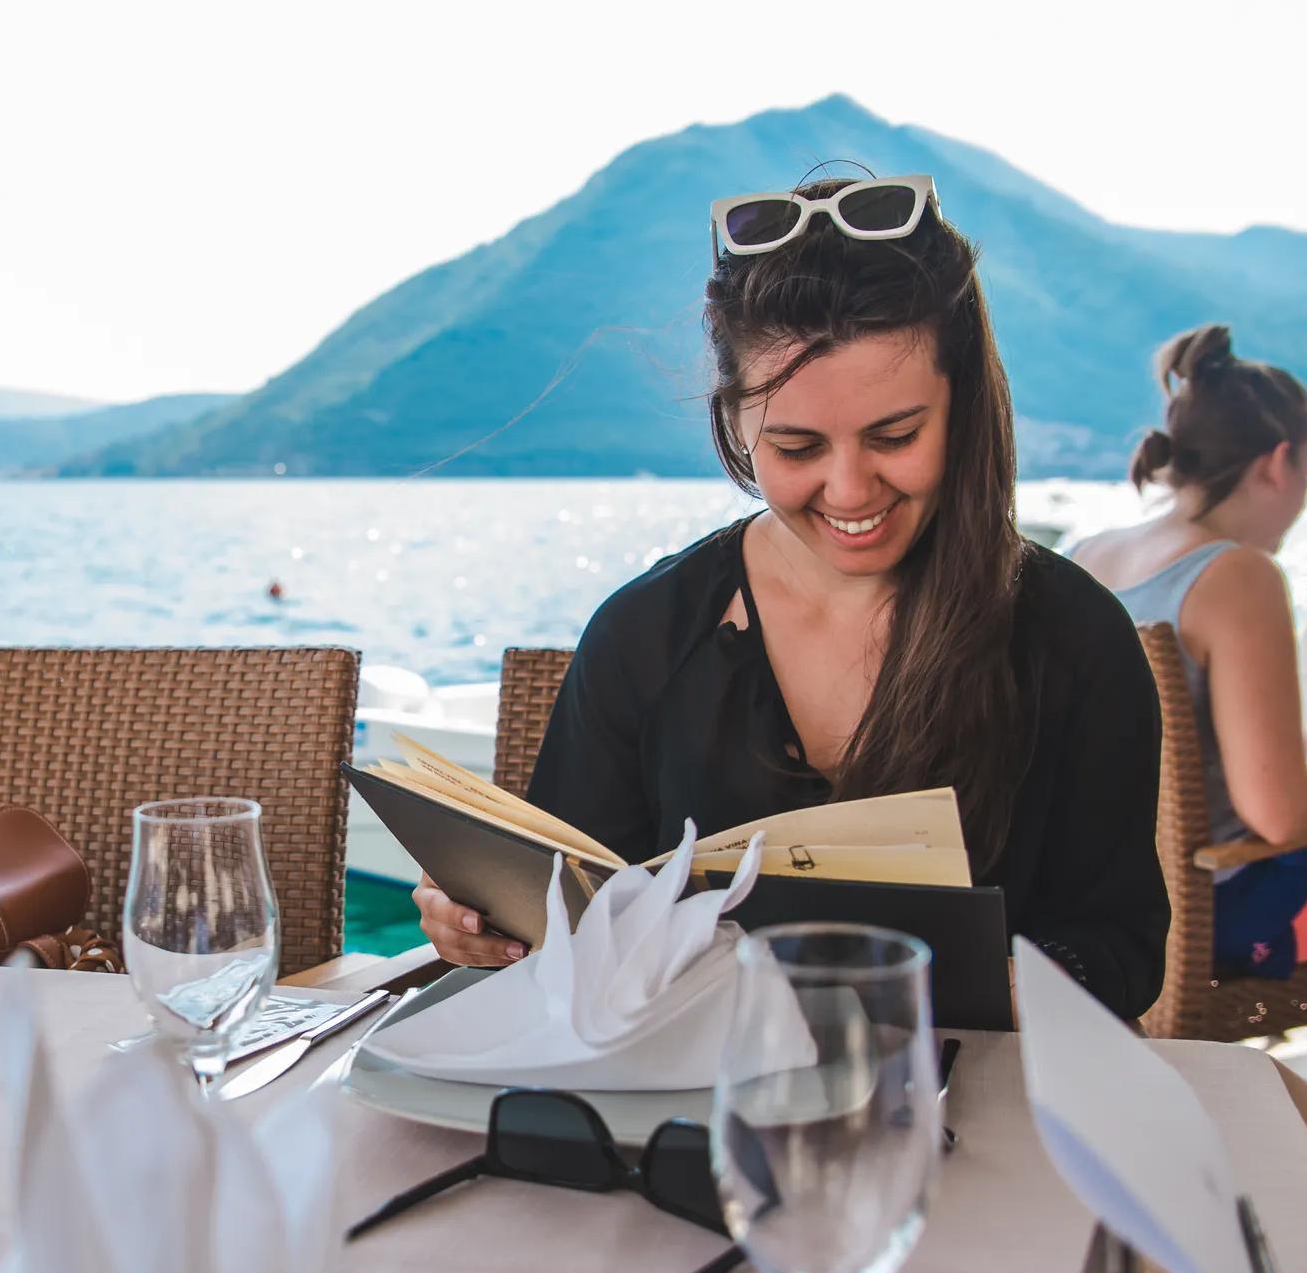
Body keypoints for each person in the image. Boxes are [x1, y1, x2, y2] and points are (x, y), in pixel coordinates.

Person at [411, 174, 1170, 1020]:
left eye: (896, 435)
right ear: (736, 423)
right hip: (691, 1106)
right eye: (796, 445)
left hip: (984, 1108)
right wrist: (481, 923)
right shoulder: (646, 633)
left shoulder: (1073, 634)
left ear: (964, 409)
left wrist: (1010, 979)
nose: (849, 490)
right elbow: (564, 912)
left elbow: (1126, 949)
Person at [1072, 325, 1307, 1175]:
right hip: (1211, 901)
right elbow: (1281, 812)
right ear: (1281, 462)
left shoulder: (1092, 554)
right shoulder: (1236, 573)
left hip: (1110, 894)